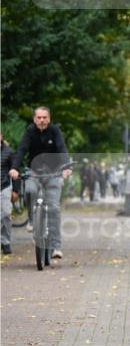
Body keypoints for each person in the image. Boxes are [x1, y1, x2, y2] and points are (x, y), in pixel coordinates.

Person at [9, 107, 72, 258]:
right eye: (39, 117)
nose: (42, 120)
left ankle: (56, 247)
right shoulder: (30, 131)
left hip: (53, 173)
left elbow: (62, 148)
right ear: (34, 119)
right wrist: (14, 168)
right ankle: (32, 219)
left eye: (45, 117)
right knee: (30, 191)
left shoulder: (55, 131)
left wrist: (67, 168)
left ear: (49, 119)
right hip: (34, 172)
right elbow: (21, 150)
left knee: (54, 209)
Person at [1, 133, 14, 255]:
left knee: (6, 213)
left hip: (4, 186)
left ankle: (5, 242)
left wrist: (16, 190)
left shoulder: (9, 152)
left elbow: (15, 170)